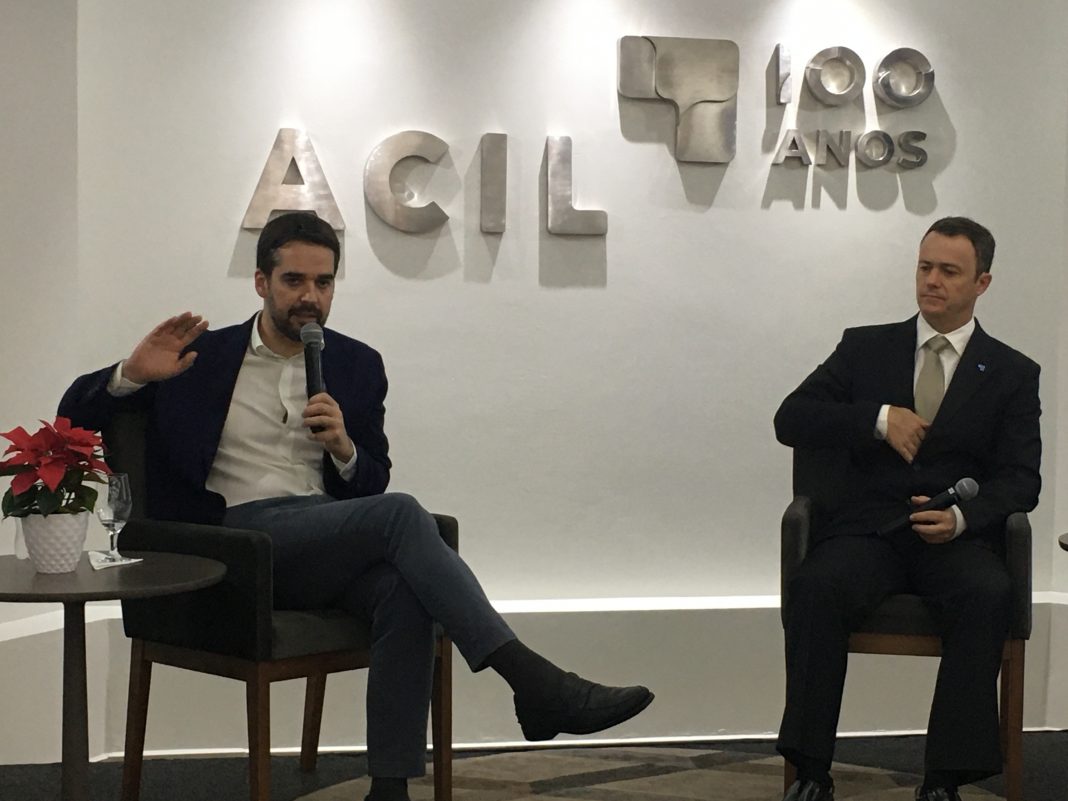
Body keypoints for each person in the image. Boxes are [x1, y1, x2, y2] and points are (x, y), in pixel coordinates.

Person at [59, 212, 653, 801]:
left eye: (324, 282)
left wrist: (344, 449)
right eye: (294, 281)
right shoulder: (198, 358)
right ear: (261, 282)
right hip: (229, 547)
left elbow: (371, 479)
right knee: (401, 514)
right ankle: (533, 681)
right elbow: (72, 419)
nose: (310, 297)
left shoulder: (356, 364)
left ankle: (389, 790)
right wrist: (128, 376)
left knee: (403, 588)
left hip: (313, 545)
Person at [773, 217, 1041, 801]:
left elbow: (1021, 479)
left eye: (949, 271)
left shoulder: (1013, 373)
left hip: (954, 538)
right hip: (867, 534)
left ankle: (944, 779)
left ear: (982, 283)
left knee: (987, 593)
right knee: (815, 586)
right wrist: (878, 418)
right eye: (925, 267)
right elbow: (790, 419)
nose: (932, 281)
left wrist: (963, 519)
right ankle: (810, 771)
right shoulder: (864, 347)